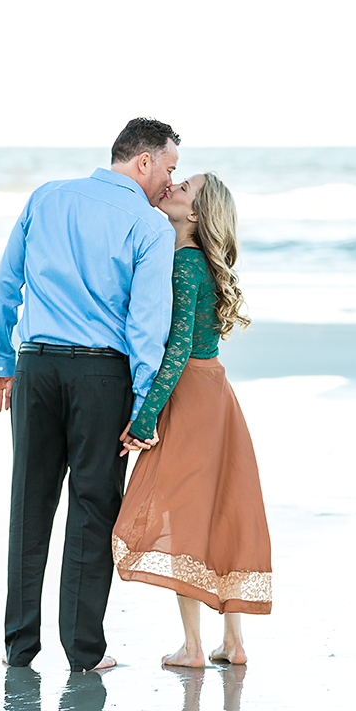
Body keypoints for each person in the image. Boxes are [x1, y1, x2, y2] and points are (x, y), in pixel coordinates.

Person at [0, 117, 179, 672]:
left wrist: (0, 359)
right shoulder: (150, 226)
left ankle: (18, 647)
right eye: (168, 167)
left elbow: (4, 285)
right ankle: (83, 653)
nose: (170, 180)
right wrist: (145, 408)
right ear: (143, 161)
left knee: (30, 504)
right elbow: (147, 327)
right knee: (93, 510)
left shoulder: (46, 198)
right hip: (102, 376)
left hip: (36, 368)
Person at [112, 173, 272, 667]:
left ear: (196, 214)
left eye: (183, 188)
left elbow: (176, 350)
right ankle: (234, 641)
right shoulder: (201, 263)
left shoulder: (183, 263)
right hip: (217, 390)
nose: (172, 188)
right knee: (220, 508)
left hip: (190, 397)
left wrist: (145, 416)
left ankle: (194, 647)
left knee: (185, 511)